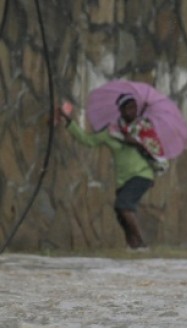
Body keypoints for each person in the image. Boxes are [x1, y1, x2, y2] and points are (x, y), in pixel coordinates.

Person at [56, 94, 159, 250]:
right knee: (120, 212)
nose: (133, 111)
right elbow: (87, 140)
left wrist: (137, 142)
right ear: (121, 111)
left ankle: (142, 244)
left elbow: (155, 148)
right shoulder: (111, 132)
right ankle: (132, 246)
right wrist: (68, 121)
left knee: (123, 205)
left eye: (135, 107)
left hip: (142, 175)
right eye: (129, 108)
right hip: (123, 180)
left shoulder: (142, 127)